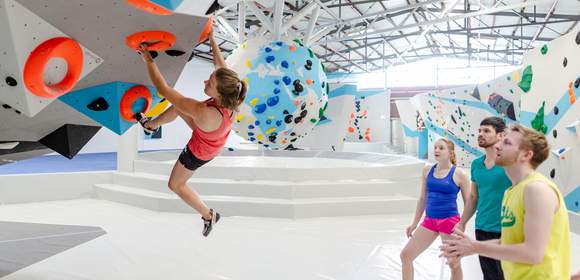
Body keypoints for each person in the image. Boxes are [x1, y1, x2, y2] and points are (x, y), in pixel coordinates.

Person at [137, 26, 246, 237]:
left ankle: (208, 215)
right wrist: (212, 40)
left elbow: (164, 91)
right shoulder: (233, 93)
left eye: (210, 83)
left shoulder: (204, 112)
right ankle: (152, 125)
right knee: (179, 107)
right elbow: (219, 65)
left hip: (201, 150)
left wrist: (148, 60)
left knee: (175, 184)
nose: (205, 82)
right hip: (214, 135)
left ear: (219, 92)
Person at [441, 125, 571, 280]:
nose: (497, 145)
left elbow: (533, 253)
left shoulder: (536, 190)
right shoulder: (512, 191)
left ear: (526, 155)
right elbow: (510, 241)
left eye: (507, 143)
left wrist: (475, 246)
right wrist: (467, 248)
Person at [400, 138, 470, 280]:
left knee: (454, 264)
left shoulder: (459, 174)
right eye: (435, 147)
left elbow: (469, 203)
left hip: (450, 222)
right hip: (430, 221)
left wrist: (462, 225)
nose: (436, 150)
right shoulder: (427, 170)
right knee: (406, 256)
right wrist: (414, 223)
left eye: (441, 148)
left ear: (450, 153)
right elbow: (422, 198)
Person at [455, 117, 511, 280]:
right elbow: (473, 197)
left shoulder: (509, 162)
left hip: (507, 228)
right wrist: (462, 222)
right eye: (479, 131)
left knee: (507, 275)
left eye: (486, 131)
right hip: (482, 227)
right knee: (490, 275)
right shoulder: (476, 164)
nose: (480, 134)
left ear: (500, 135)